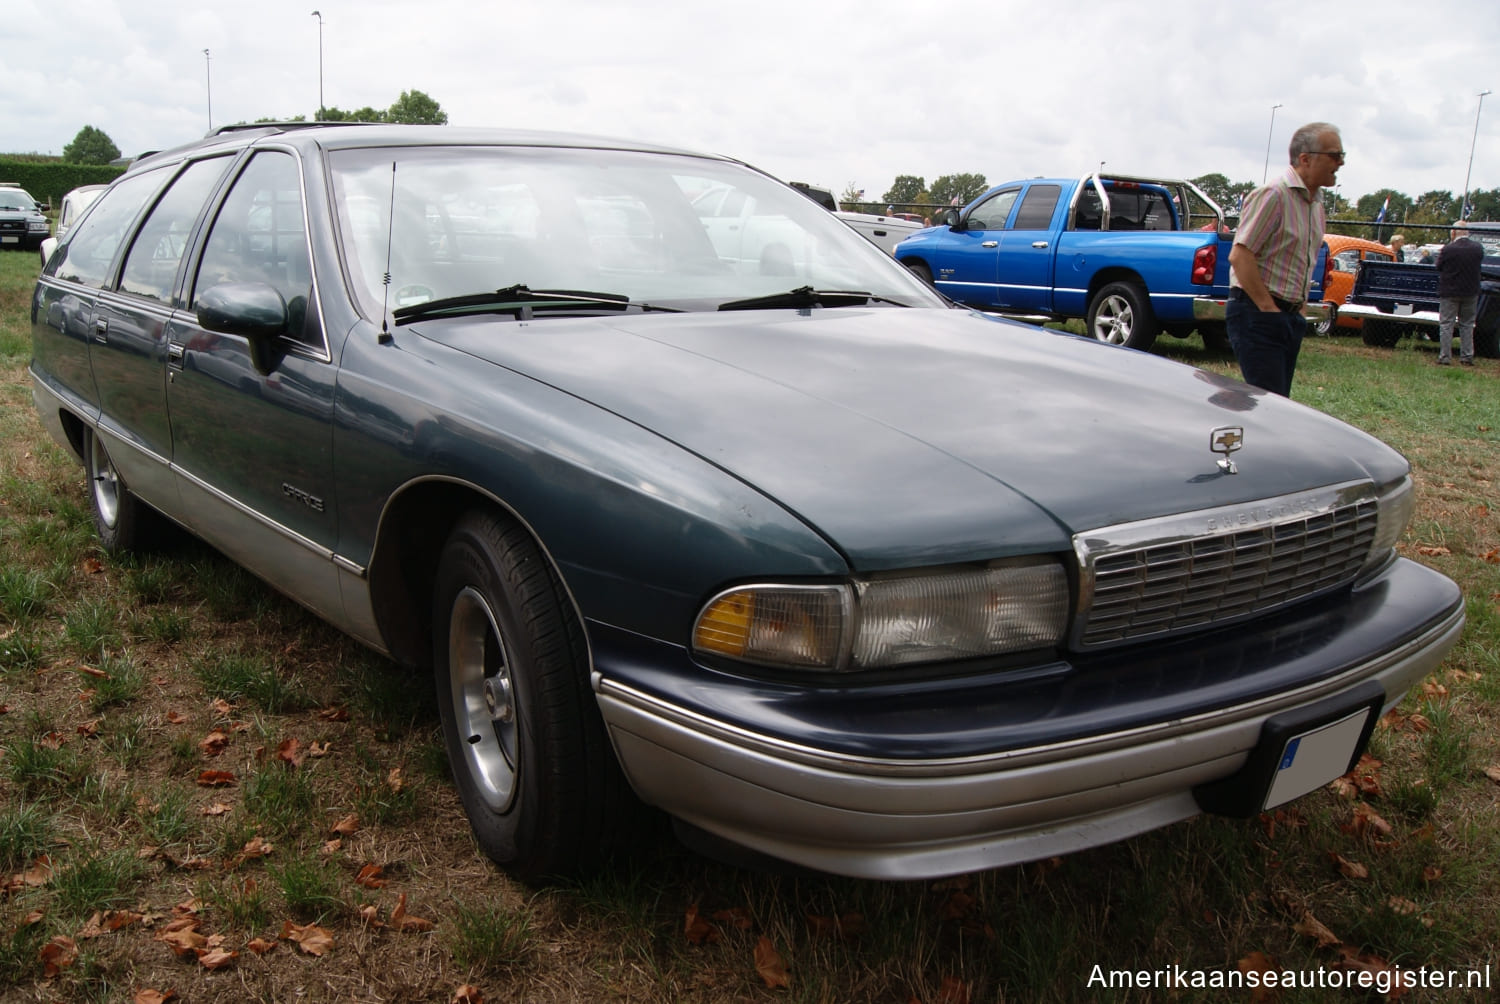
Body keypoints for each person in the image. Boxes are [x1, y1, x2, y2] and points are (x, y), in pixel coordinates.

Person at [1225, 122, 1341, 396]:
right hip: (1258, 315)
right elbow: (1240, 255)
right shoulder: (1274, 195)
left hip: (1289, 318)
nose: (1340, 163)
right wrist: (1268, 309)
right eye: (1334, 155)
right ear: (1305, 158)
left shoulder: (1315, 204)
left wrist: (1298, 311)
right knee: (1267, 406)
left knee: (1277, 404)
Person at [1434, 224, 1483, 365]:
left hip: (1450, 291)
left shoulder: (1448, 249)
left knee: (1446, 324)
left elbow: (1439, 266)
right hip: (1470, 291)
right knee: (1467, 324)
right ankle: (1467, 356)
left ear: (1454, 232)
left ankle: (1445, 356)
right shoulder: (1477, 248)